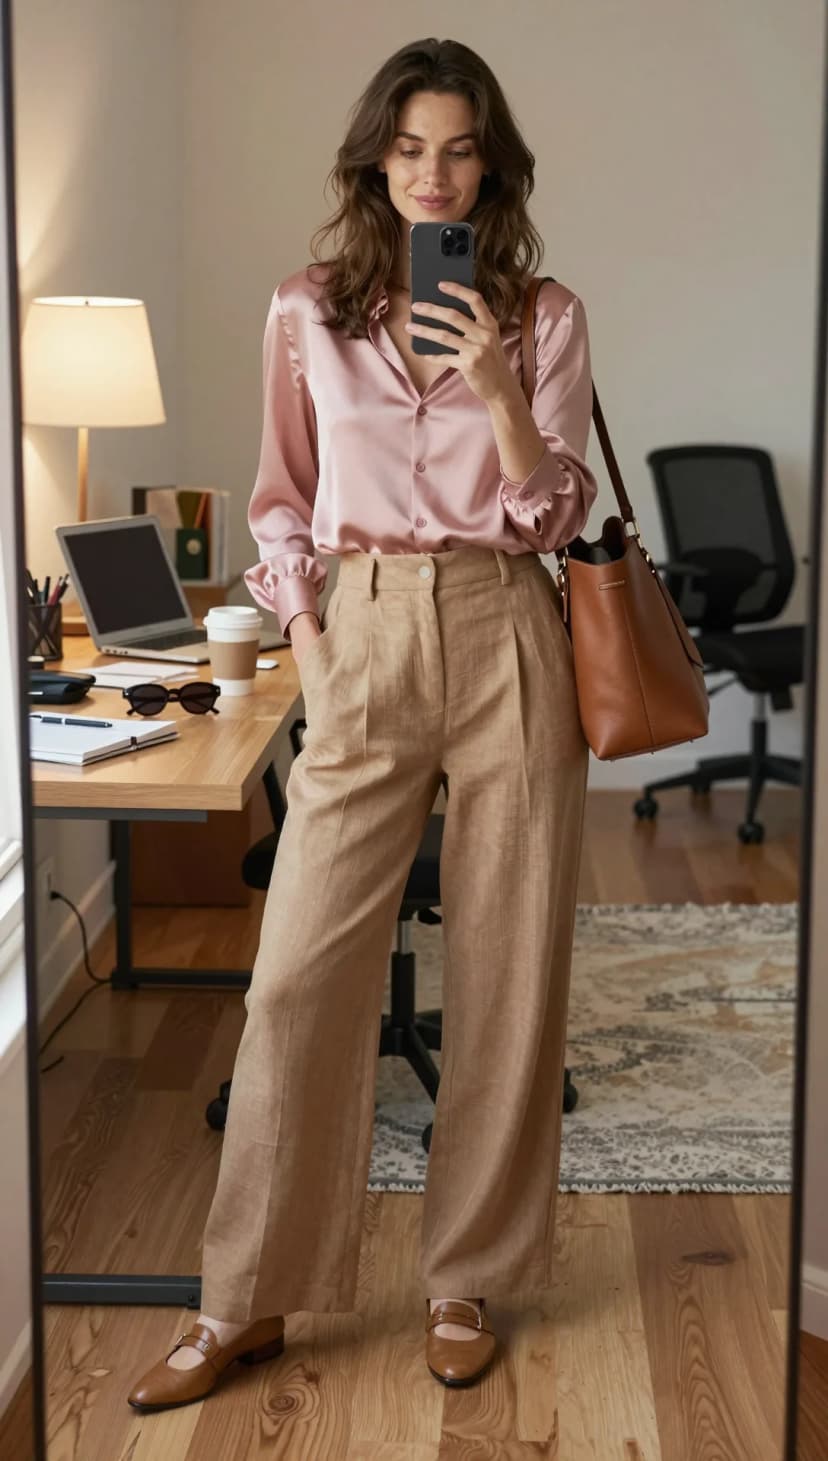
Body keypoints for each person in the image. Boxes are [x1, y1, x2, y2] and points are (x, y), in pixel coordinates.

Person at [127, 34, 598, 1412]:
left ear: (492, 163)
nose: (434, 174)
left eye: (458, 149)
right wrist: (318, 651)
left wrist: (503, 388)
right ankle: (246, 1297)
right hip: (365, 636)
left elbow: (553, 514)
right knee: (293, 982)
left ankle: (464, 1275)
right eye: (409, 150)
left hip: (511, 625)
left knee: (508, 975)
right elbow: (279, 501)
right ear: (374, 163)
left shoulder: (546, 311)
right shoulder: (307, 309)